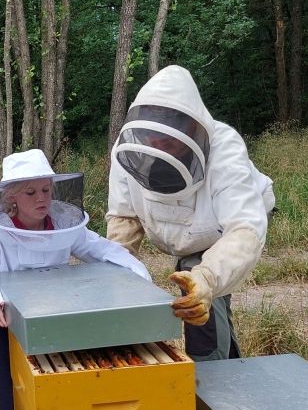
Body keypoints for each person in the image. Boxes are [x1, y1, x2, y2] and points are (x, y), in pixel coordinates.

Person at [0, 149, 151, 410]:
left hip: (53, 324)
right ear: (12, 198)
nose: (41, 198)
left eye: (46, 190)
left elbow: (103, 250)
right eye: (31, 192)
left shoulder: (64, 226)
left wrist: (139, 274)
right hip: (4, 327)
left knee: (55, 402)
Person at [106, 65, 275, 361]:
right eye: (153, 139)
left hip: (227, 229)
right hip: (185, 234)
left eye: (169, 140)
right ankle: (230, 366)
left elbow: (244, 229)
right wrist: (117, 276)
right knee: (205, 294)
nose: (158, 146)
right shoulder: (129, 149)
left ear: (192, 128)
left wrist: (207, 279)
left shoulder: (224, 148)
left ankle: (214, 376)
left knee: (198, 298)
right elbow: (124, 219)